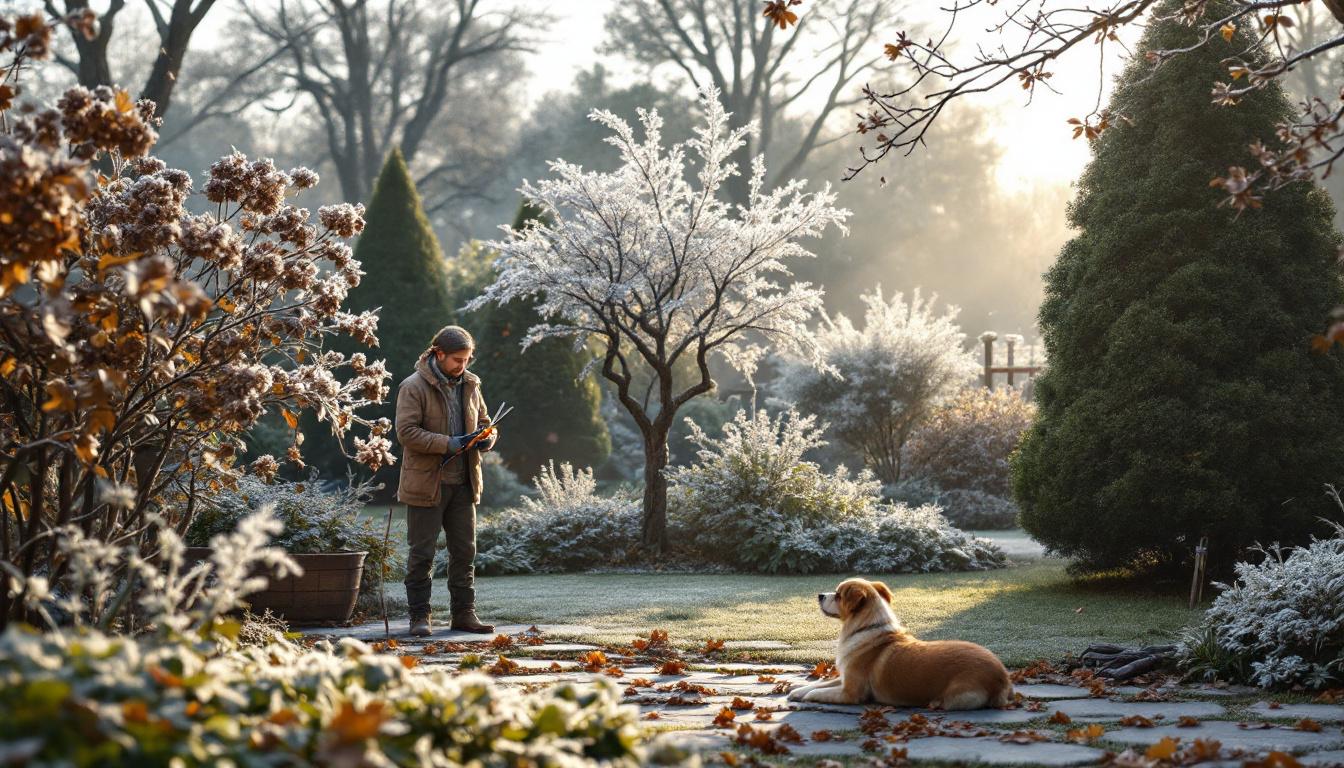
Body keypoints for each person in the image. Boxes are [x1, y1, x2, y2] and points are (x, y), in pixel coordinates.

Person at [395, 325, 498, 636]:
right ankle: (419, 618)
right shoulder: (412, 386)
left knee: (465, 553)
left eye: (467, 359)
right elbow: (406, 433)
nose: (462, 366)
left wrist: (487, 438)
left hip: (465, 482)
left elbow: (486, 422)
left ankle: (464, 615)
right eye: (457, 359)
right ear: (438, 354)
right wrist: (449, 444)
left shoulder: (472, 384)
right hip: (426, 484)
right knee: (422, 554)